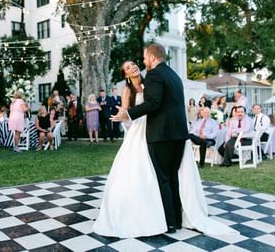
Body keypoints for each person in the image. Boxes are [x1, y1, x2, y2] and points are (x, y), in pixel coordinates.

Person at [95, 56, 237, 238]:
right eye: (128, 67)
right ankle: (147, 213)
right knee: (142, 172)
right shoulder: (127, 90)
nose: (133, 67)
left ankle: (168, 213)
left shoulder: (152, 81)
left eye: (133, 64)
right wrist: (122, 116)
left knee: (162, 173)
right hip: (141, 130)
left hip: (159, 128)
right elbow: (126, 112)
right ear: (126, 75)